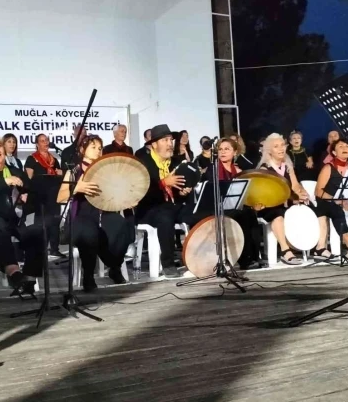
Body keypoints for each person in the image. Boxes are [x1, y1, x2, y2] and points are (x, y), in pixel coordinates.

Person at [56, 135, 133, 291]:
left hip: (103, 213)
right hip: (81, 217)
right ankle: (89, 276)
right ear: (82, 150)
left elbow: (115, 192)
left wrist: (128, 200)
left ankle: (114, 266)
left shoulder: (105, 170)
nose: (98, 151)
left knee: (120, 224)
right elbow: (60, 197)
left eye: (99, 148)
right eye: (93, 147)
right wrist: (76, 188)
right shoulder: (74, 170)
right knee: (89, 232)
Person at [0, 134, 43, 294]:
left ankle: (30, 278)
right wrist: (5, 182)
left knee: (38, 227)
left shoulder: (15, 171)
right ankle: (14, 273)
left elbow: (32, 193)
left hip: (16, 219)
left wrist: (27, 197)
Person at [256, 134, 331, 265]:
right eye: (276, 146)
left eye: (282, 145)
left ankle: (320, 248)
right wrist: (292, 199)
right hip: (271, 204)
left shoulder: (287, 165)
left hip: (288, 201)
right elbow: (269, 194)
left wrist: (302, 194)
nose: (281, 149)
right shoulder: (265, 168)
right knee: (277, 214)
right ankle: (286, 251)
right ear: (269, 151)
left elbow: (295, 185)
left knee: (319, 210)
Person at [135, 124, 190, 278]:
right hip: (149, 208)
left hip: (172, 206)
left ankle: (199, 258)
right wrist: (163, 183)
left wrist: (183, 191)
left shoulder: (175, 162)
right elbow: (140, 192)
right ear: (154, 144)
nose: (169, 144)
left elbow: (179, 190)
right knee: (165, 217)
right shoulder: (143, 163)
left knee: (196, 212)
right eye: (165, 140)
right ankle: (168, 264)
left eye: (171, 140)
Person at [198, 138, 261, 269]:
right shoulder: (213, 168)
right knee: (242, 214)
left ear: (235, 152)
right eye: (220, 149)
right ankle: (245, 259)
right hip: (217, 207)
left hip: (233, 205)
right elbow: (212, 192)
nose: (223, 152)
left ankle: (253, 256)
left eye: (227, 149)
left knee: (250, 213)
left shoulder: (238, 171)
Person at [314, 139, 348, 259]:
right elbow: (318, 191)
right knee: (337, 211)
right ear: (334, 152)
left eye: (347, 146)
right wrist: (337, 199)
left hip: (343, 201)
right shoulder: (328, 167)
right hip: (326, 201)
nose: (345, 148)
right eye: (341, 146)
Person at [24, 133, 64, 258]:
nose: (45, 143)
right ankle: (40, 249)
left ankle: (54, 248)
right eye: (42, 141)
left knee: (55, 222)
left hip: (54, 195)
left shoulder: (54, 159)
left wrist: (61, 173)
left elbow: (60, 176)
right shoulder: (32, 159)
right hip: (39, 196)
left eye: (46, 140)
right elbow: (28, 178)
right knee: (42, 223)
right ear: (37, 144)